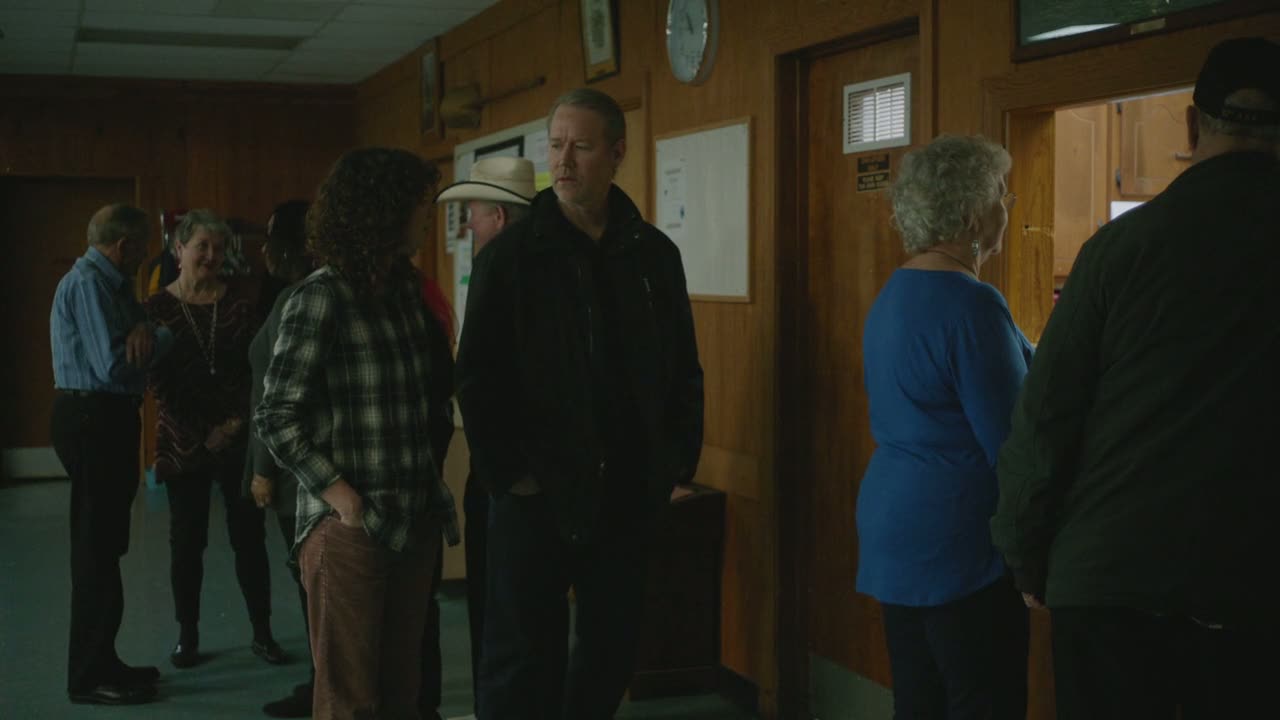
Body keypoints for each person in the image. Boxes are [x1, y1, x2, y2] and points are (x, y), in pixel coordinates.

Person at [991, 36, 1280, 720]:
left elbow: (1047, 416)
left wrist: (1025, 552)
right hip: (1251, 584)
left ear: (1191, 125)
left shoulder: (1120, 248)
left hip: (1110, 578)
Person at [456, 88, 704, 719]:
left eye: (582, 147)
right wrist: (511, 473)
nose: (563, 161)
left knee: (610, 649)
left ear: (617, 153)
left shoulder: (653, 255)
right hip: (535, 493)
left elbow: (682, 368)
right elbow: (477, 376)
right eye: (556, 145)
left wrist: (675, 462)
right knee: (521, 658)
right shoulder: (512, 257)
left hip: (625, 491)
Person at [254, 147, 461, 719]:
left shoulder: (404, 292)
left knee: (402, 695)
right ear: (382, 210)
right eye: (419, 205)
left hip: (412, 519)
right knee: (348, 701)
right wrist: (341, 496)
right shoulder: (320, 297)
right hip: (351, 528)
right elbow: (276, 415)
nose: (427, 218)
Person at [856, 134, 1031, 719]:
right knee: (983, 701)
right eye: (1002, 194)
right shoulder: (972, 304)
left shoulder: (894, 293)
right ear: (974, 212)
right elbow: (1013, 443)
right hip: (957, 540)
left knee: (919, 700)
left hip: (895, 526)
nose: (1007, 206)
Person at [145, 209, 284, 670]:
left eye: (218, 249)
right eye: (201, 246)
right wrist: (204, 431)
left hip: (237, 436)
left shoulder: (241, 305)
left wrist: (233, 425)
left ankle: (263, 632)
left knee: (250, 539)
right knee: (187, 543)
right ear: (178, 249)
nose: (210, 256)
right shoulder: (156, 309)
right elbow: (159, 382)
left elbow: (257, 370)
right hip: (183, 440)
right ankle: (187, 636)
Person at [427, 156, 540, 719]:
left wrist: (498, 472)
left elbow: (474, 376)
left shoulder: (497, 266)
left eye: (473, 214)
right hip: (536, 471)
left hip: (505, 475)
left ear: (497, 216)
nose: (468, 225)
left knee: (497, 613)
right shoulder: (551, 261)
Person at [51, 204, 173, 706]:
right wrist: (159, 337)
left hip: (108, 419)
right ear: (124, 246)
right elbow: (113, 364)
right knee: (95, 552)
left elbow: (140, 337)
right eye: (142, 246)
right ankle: (87, 676)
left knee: (107, 547)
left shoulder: (115, 285)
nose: (146, 255)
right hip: (92, 419)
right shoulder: (89, 284)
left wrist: (148, 333)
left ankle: (105, 660)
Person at [244, 201, 317, 718]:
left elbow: (276, 397)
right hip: (297, 467)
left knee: (315, 588)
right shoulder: (291, 295)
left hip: (296, 472)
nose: (265, 248)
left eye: (273, 237)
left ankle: (325, 685)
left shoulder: (300, 299)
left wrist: (263, 470)